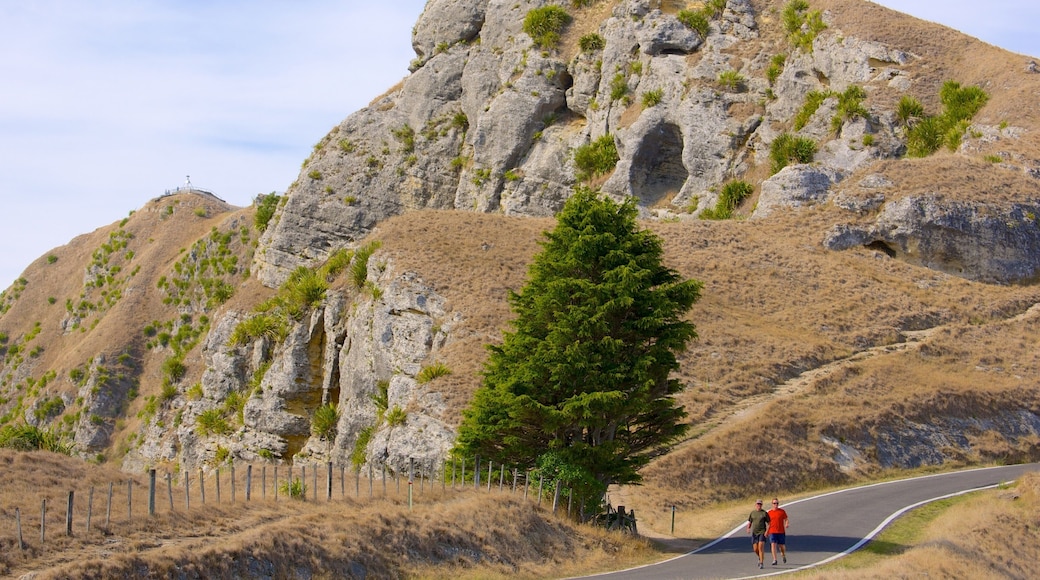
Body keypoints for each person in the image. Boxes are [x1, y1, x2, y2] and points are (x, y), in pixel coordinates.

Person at [746, 499, 771, 569]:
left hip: (762, 532)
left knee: (760, 547)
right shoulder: (752, 513)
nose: (758, 506)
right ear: (755, 505)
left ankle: (761, 563)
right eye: (757, 504)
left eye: (760, 504)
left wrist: (767, 531)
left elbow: (769, 523)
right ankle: (760, 557)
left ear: (761, 505)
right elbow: (750, 522)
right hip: (755, 533)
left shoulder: (764, 513)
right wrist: (748, 528)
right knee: (755, 549)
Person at [767, 497, 790, 565]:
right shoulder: (769, 513)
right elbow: (768, 523)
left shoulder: (782, 511)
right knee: (773, 544)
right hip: (772, 531)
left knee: (781, 546)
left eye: (777, 503)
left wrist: (786, 524)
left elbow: (786, 519)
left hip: (780, 531)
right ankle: (775, 559)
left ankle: (783, 555)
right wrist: (766, 531)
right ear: (772, 504)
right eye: (774, 503)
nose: (776, 504)